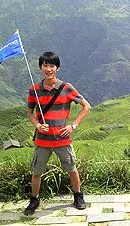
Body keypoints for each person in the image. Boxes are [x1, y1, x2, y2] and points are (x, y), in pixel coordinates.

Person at [24, 52, 91, 216]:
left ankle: (78, 196)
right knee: (36, 171)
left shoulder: (67, 88)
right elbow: (30, 113)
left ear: (57, 68)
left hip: (62, 138)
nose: (48, 69)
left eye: (51, 66)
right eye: (45, 65)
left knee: (72, 168)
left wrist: (73, 126)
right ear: (40, 67)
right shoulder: (34, 90)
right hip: (42, 140)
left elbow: (86, 106)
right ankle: (35, 199)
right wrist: (38, 125)